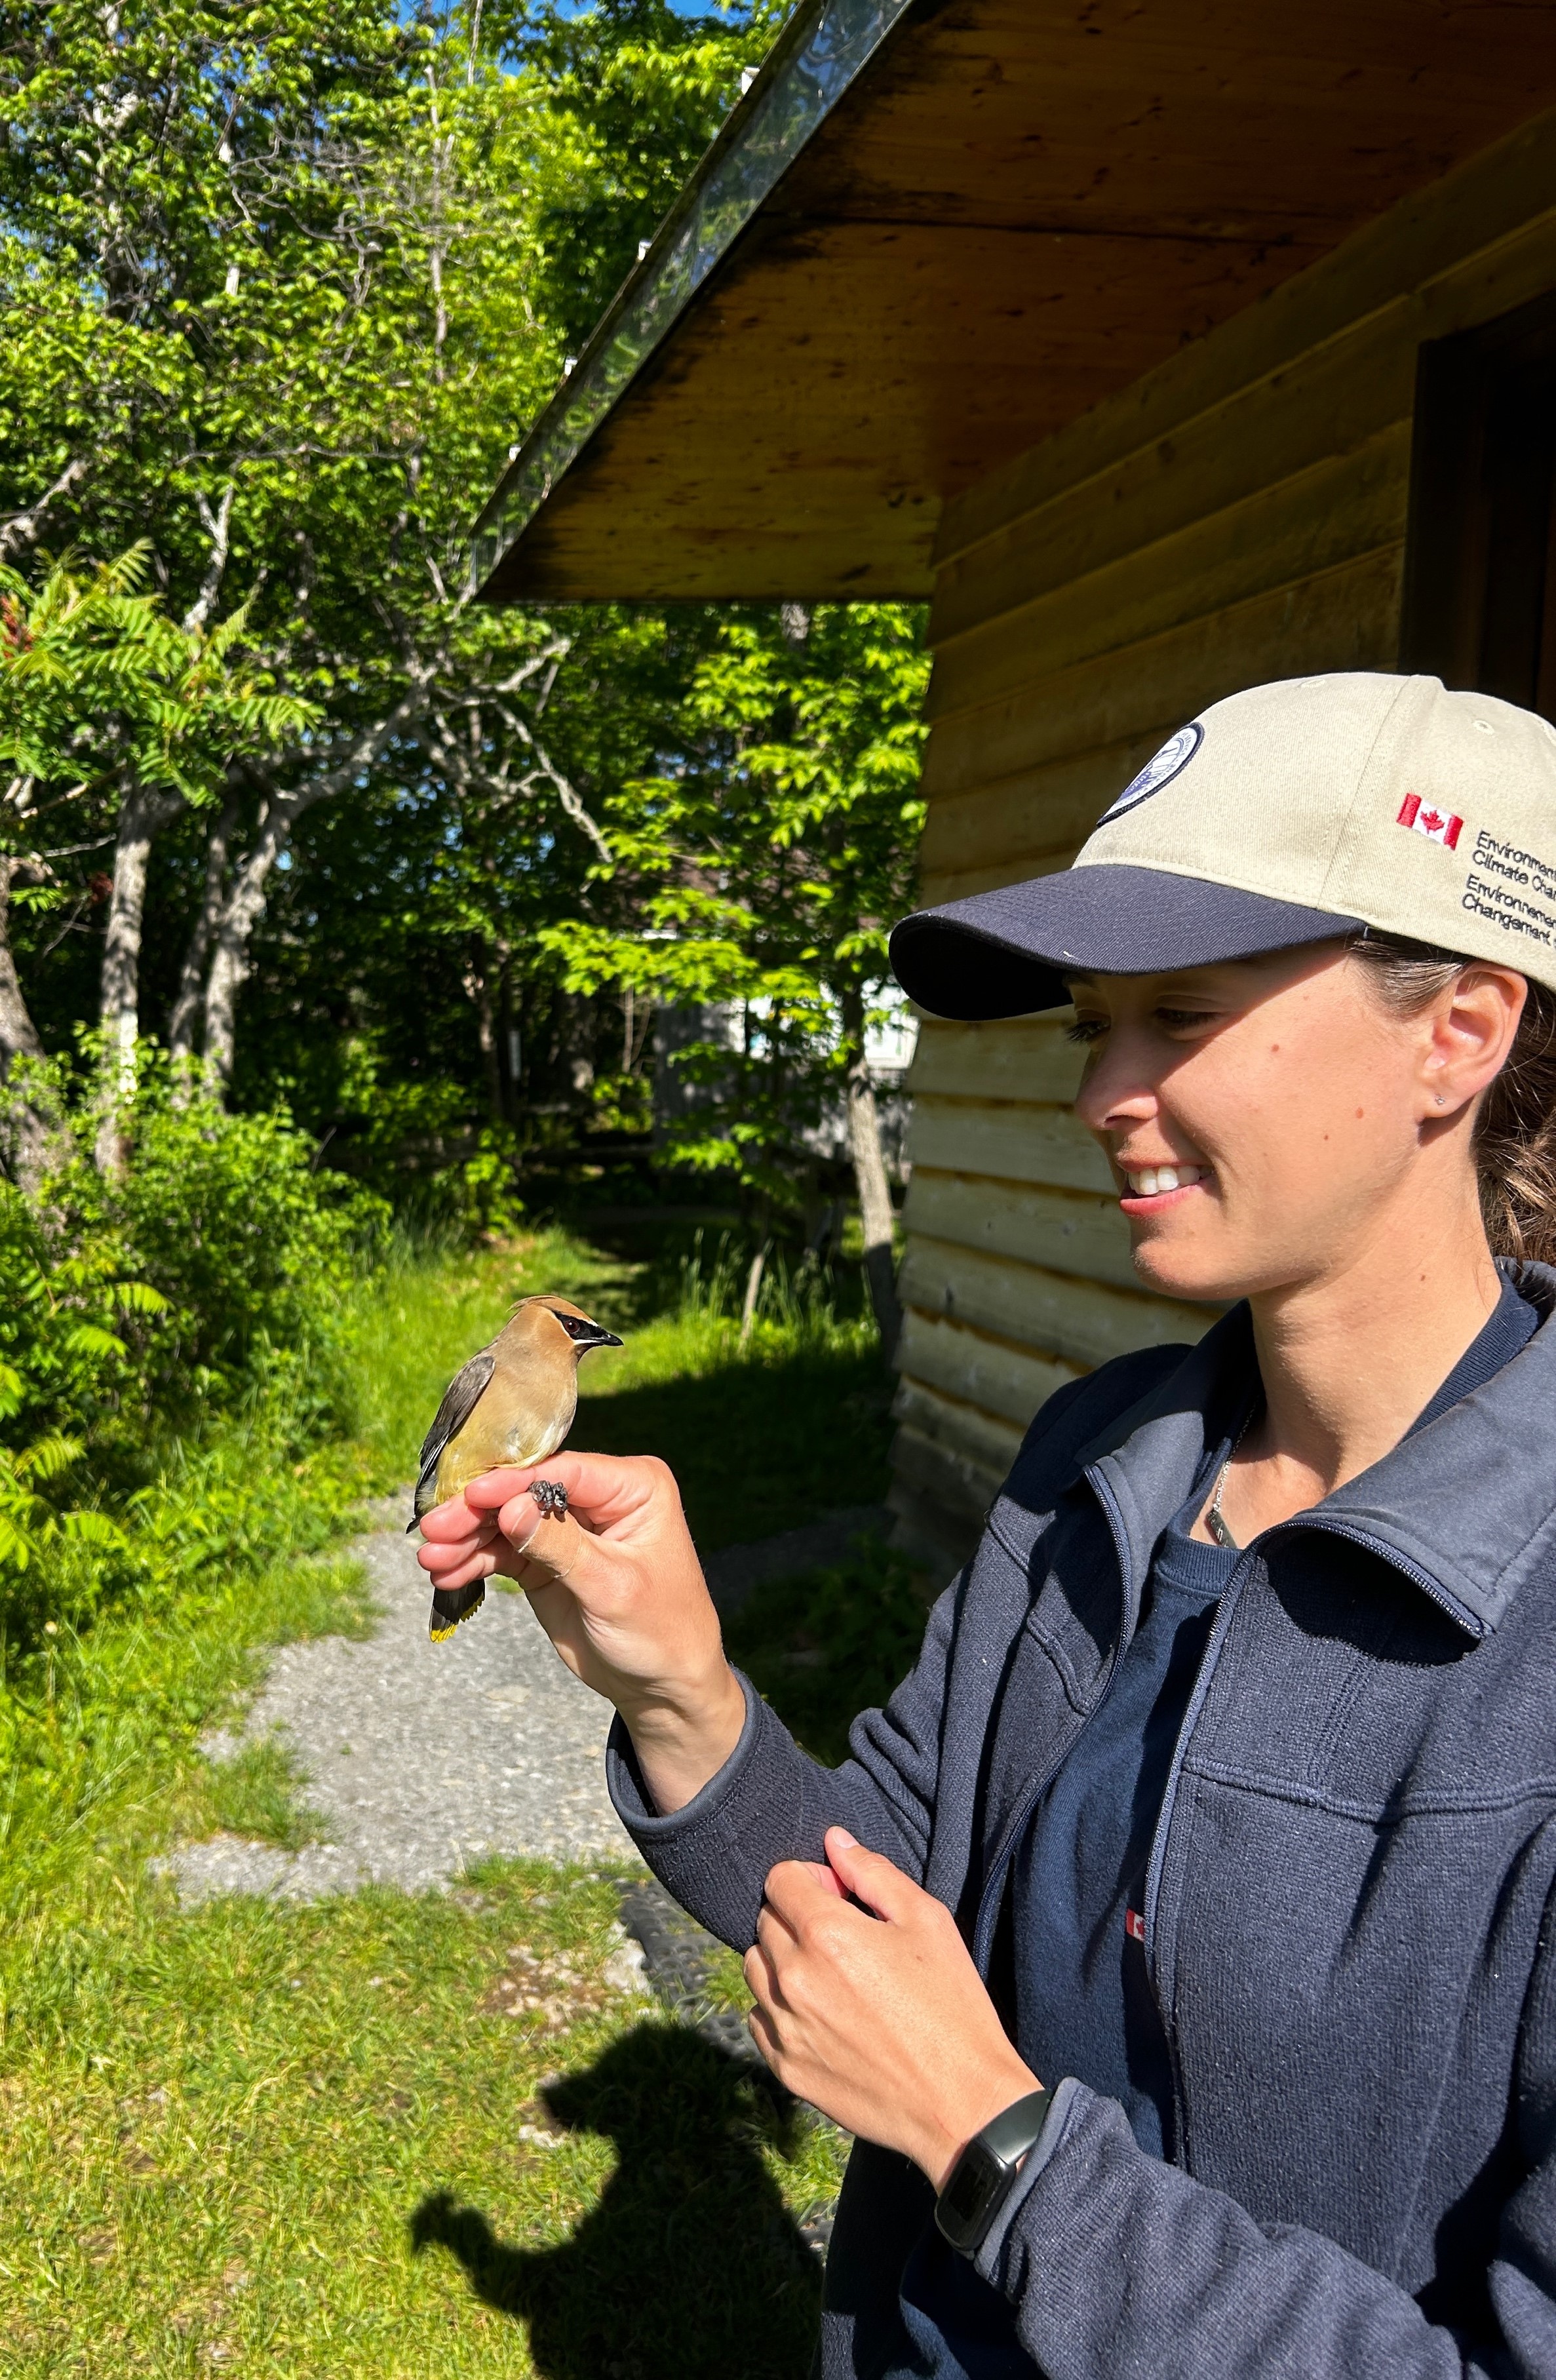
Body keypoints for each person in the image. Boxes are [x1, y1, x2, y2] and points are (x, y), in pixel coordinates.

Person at [418, 672, 1556, 2378]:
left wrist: (999, 2146)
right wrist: (685, 1701)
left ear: (1458, 1030)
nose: (1103, 1087)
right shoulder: (1106, 1459)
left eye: (1180, 1011)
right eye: (1092, 1021)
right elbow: (873, 1909)